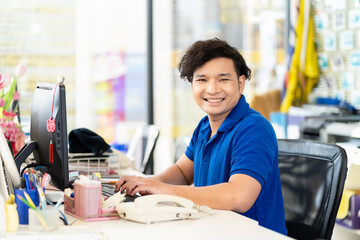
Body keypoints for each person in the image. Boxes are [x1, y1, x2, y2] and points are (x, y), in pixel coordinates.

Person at [115, 38, 287, 235]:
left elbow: (239, 196)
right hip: (214, 230)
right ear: (192, 84)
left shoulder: (254, 128)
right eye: (202, 80)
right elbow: (182, 172)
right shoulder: (205, 126)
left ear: (240, 84)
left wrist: (163, 190)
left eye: (223, 79)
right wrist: (148, 185)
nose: (212, 89)